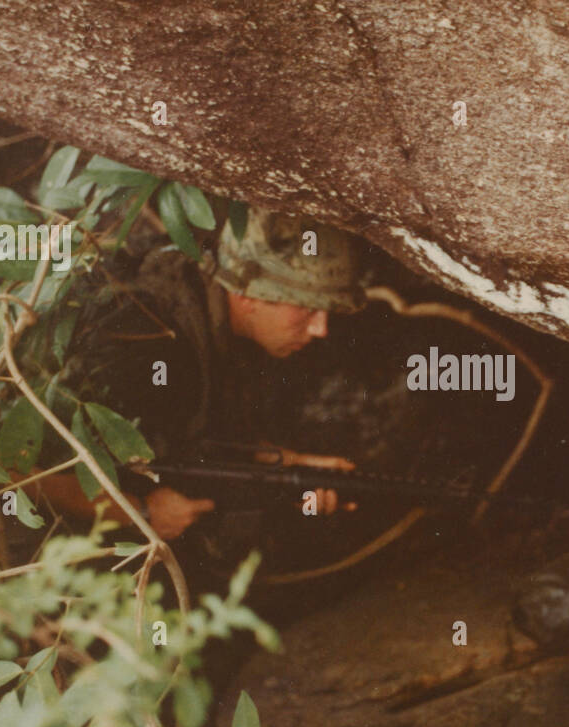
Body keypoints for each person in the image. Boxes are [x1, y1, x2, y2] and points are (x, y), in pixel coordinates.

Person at [34, 205, 366, 543]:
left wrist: (291, 466)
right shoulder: (141, 341)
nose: (321, 329)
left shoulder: (208, 299)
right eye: (307, 309)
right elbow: (13, 464)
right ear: (249, 296)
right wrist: (139, 513)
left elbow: (195, 437)